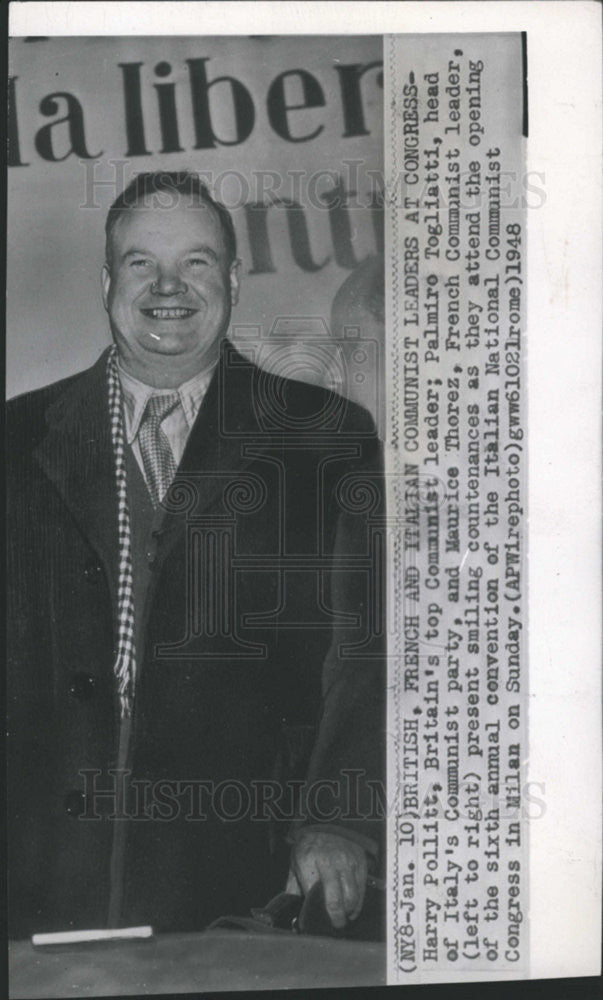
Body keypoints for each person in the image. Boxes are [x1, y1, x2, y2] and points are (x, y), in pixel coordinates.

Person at [7, 171, 385, 940]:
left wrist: (339, 820)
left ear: (236, 280)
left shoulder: (324, 437)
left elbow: (365, 652)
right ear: (107, 281)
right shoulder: (17, 439)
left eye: (198, 262)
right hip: (36, 877)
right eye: (141, 262)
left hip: (239, 883)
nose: (167, 286)